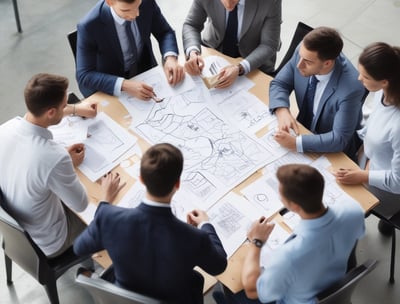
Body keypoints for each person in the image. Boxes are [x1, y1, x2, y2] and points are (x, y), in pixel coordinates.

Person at [73, 143, 227, 303]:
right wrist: (205, 225)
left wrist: (104, 203)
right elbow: (219, 265)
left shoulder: (108, 217)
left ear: (141, 179)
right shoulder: (195, 237)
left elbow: (80, 248)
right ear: (177, 184)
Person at [226, 164, 364, 304]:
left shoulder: (288, 257)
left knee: (225, 291)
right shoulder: (353, 210)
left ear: (293, 206)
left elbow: (252, 291)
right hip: (334, 278)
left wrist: (256, 242)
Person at [0, 73, 99, 258]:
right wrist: (67, 165)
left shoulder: (5, 129)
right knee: (104, 207)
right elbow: (81, 204)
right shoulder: (54, 157)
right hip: (52, 240)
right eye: (64, 105)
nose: (66, 107)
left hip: (19, 226)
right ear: (51, 112)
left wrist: (75, 109)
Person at [269, 26, 366, 161]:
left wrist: (296, 144)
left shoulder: (352, 88)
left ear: (327, 63)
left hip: (332, 151)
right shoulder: (303, 52)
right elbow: (279, 83)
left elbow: (339, 138)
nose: (299, 65)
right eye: (301, 57)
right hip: (303, 129)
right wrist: (282, 110)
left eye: (307, 62)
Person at [333, 42, 400, 235]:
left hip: (388, 188)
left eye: (366, 76)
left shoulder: (397, 126)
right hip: (370, 163)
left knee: (343, 218)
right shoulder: (382, 92)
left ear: (385, 81)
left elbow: (397, 181)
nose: (359, 78)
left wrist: (363, 175)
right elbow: (372, 126)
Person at [76, 0, 185, 100]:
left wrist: (170, 58)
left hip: (146, 74)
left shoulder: (147, 2)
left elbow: (165, 32)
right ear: (110, 2)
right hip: (111, 85)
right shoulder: (89, 26)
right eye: (126, 10)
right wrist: (124, 85)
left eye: (138, 6)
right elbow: (84, 75)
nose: (135, 14)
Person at [182, 0, 281, 88]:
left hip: (253, 60)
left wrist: (240, 68)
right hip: (214, 49)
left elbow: (268, 44)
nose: (229, 5)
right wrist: (192, 52)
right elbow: (191, 25)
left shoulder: (270, 2)